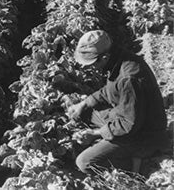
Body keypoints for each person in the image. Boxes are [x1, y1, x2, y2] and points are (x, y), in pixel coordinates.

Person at [67, 29, 168, 174]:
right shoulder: (117, 60)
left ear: (105, 57)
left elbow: (128, 125)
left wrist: (96, 134)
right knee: (87, 112)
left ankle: (138, 164)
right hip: (128, 116)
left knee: (84, 163)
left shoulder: (129, 78)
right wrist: (83, 104)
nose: (86, 67)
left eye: (91, 62)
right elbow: (109, 91)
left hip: (143, 135)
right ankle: (109, 144)